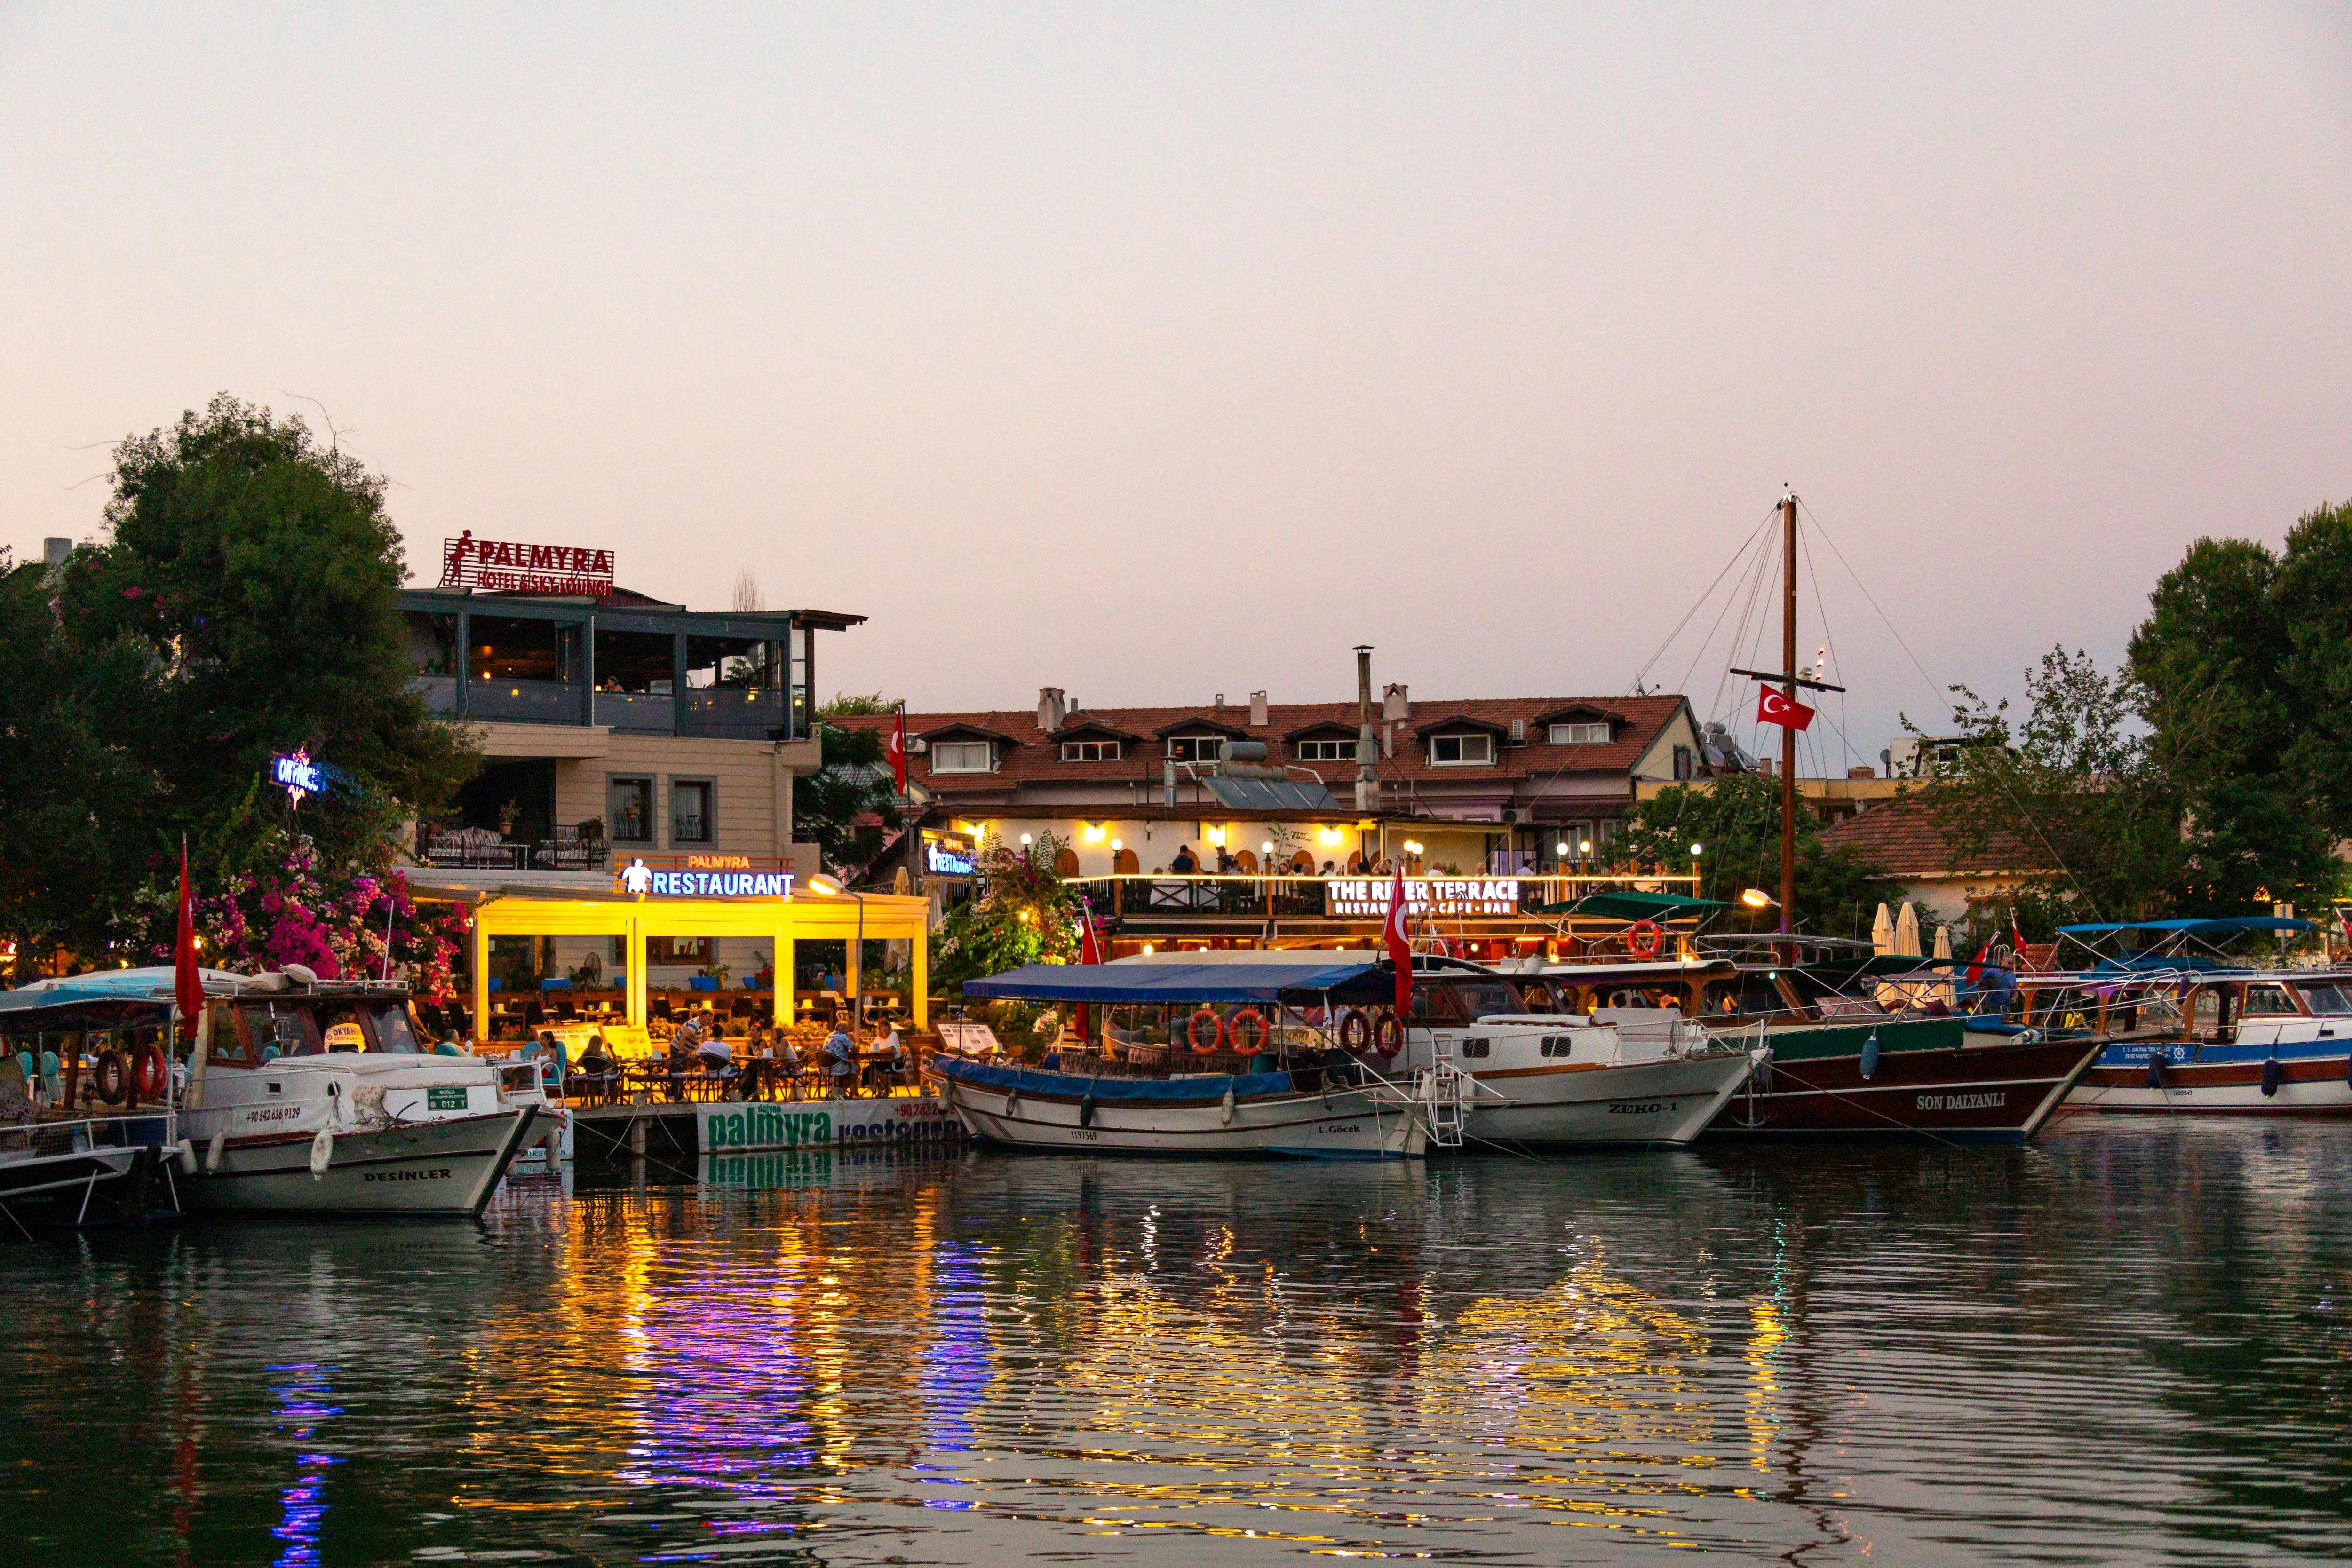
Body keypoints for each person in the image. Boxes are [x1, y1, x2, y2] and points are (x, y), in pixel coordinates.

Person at [822, 1021, 856, 1097]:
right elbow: (856, 1050)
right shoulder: (843, 1037)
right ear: (843, 1029)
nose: (848, 1030)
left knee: (845, 1067)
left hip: (824, 1068)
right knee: (857, 1069)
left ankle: (839, 1091)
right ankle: (840, 1090)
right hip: (836, 1067)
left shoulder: (829, 1035)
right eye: (847, 1028)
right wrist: (854, 1039)